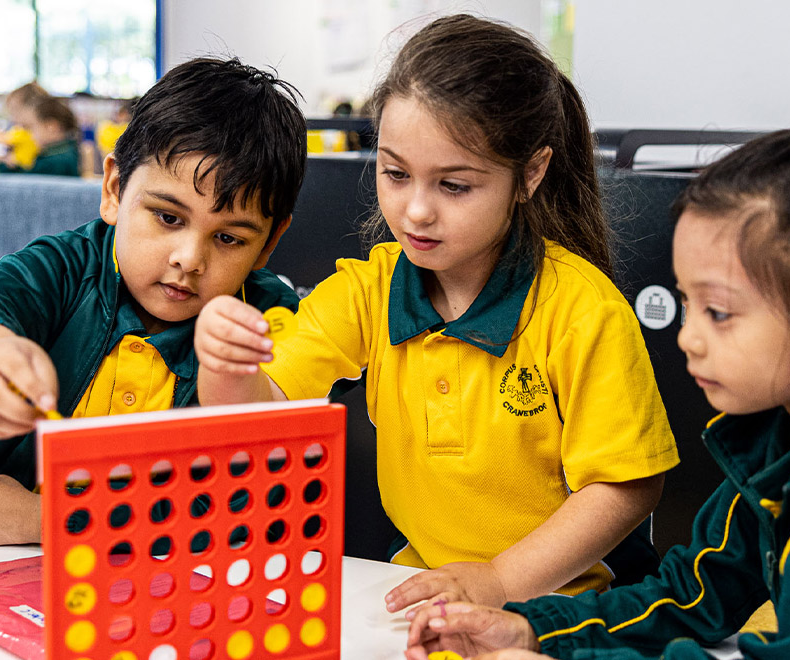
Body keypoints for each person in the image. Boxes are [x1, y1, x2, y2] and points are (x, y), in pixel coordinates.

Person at [403, 127, 790, 659]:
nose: (689, 338)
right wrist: (535, 629)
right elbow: (694, 592)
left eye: (721, 313)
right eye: (689, 305)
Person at [195, 14, 678, 610]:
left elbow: (627, 486)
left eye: (453, 186)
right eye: (395, 173)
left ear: (530, 173)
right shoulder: (368, 291)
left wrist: (500, 583)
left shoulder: (581, 308)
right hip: (429, 595)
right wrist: (225, 365)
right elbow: (255, 419)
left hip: (573, 608)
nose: (416, 211)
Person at [0, 57, 308, 546]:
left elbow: (231, 514)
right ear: (115, 190)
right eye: (168, 218)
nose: (189, 259)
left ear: (268, 244)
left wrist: (47, 519)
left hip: (170, 586)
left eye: (229, 239)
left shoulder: (268, 324)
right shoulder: (70, 266)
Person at [0, 95, 81, 177]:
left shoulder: (55, 161)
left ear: (52, 127)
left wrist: (7, 166)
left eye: (31, 128)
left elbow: (25, 180)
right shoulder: (65, 150)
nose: (30, 134)